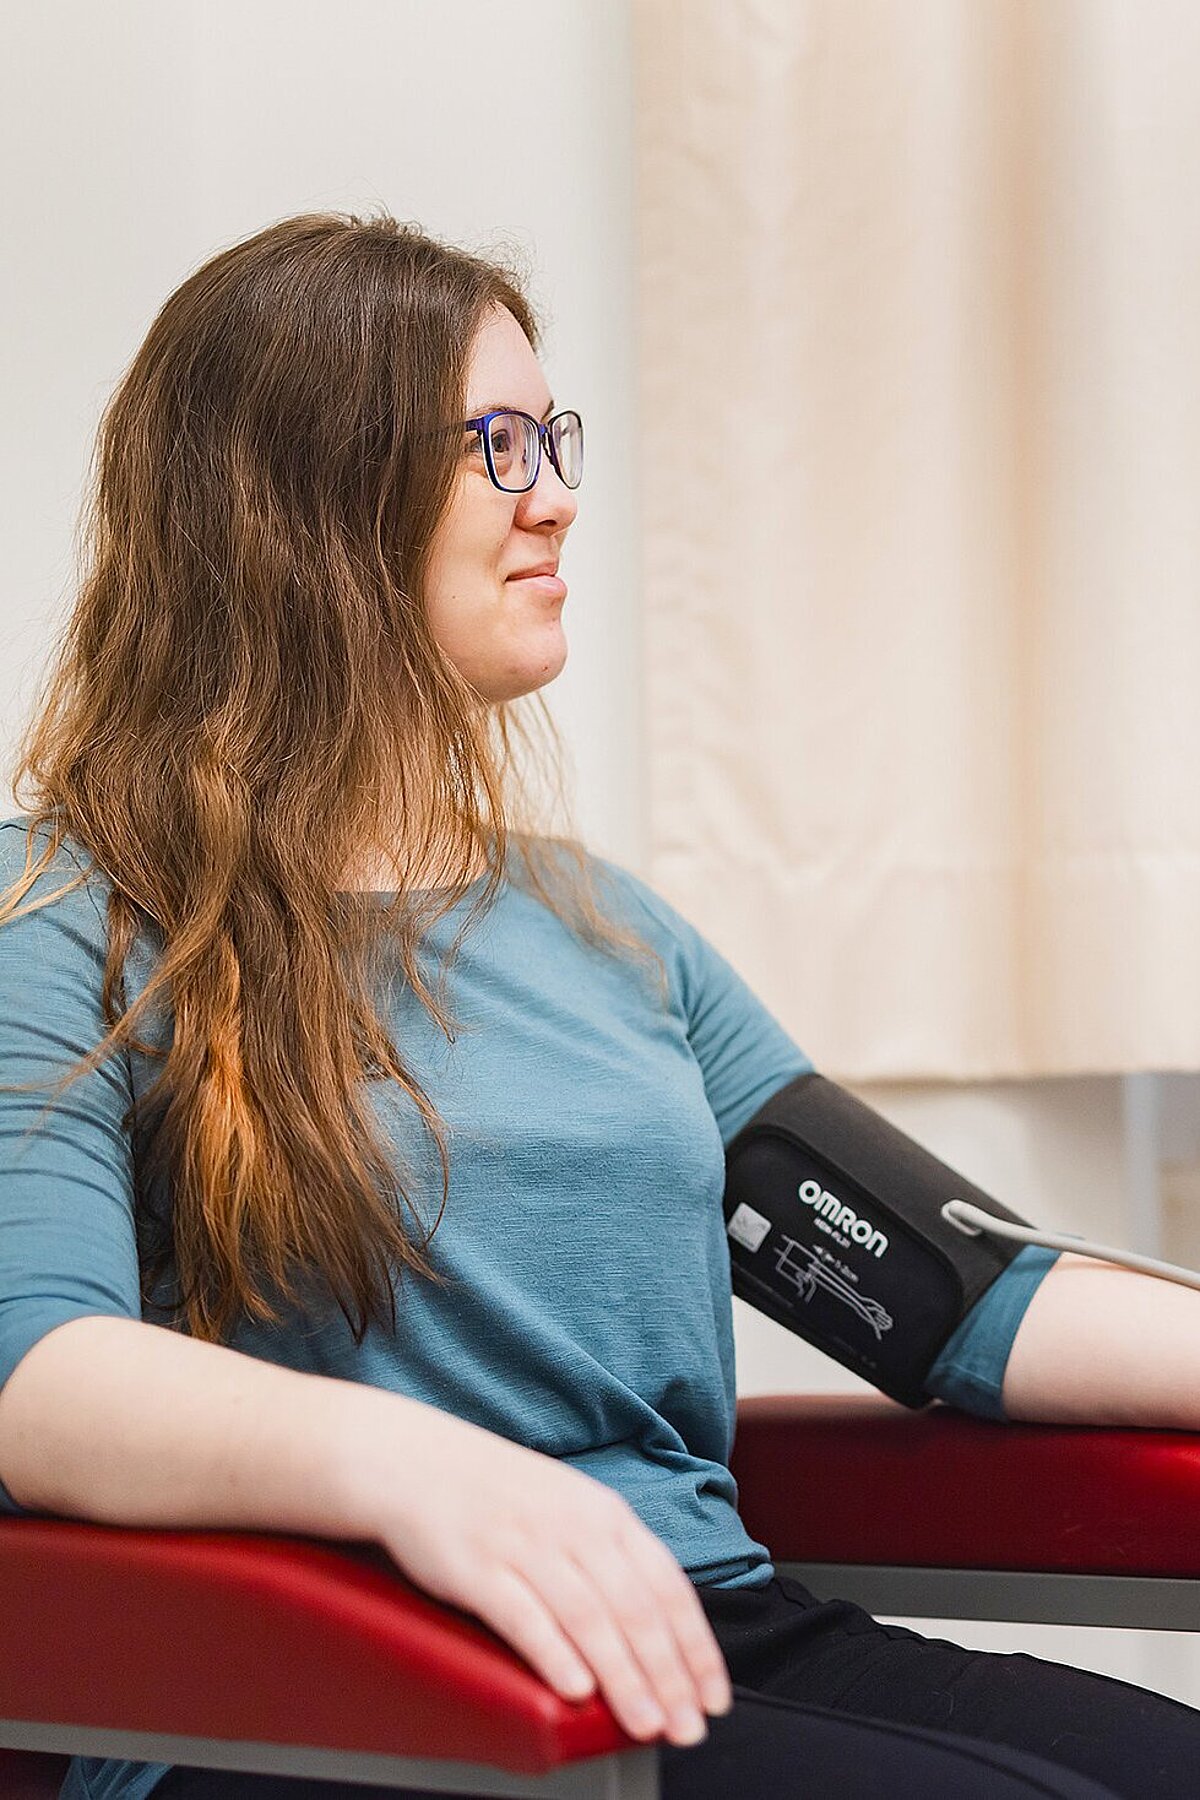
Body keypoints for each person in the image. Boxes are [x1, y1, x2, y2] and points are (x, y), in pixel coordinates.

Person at [0, 212, 1197, 1800]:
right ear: (302, 501)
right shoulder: (67, 910)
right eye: (495, 446)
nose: (557, 494)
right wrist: (423, 1476)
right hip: (315, 1682)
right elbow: (41, 1373)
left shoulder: (606, 929)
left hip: (683, 1623)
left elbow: (944, 1291)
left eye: (551, 439)